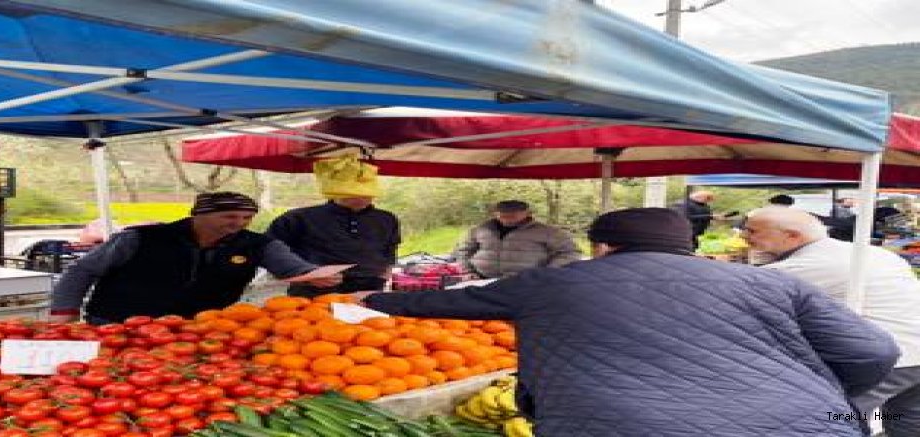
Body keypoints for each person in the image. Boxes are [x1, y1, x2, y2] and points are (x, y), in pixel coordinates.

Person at [355, 208, 898, 436]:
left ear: (602, 245)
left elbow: (453, 304)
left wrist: (371, 301)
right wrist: (807, 393)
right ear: (689, 245)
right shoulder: (773, 282)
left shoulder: (559, 282)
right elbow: (875, 353)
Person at [743, 207, 920, 437]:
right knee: (907, 420)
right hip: (912, 350)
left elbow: (740, 289)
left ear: (792, 235)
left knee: (833, 419)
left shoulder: (808, 265)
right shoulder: (869, 253)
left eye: (752, 231)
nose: (744, 237)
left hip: (893, 359)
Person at [50, 192, 342, 324]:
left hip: (197, 330)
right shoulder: (141, 238)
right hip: (118, 324)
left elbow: (294, 269)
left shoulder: (258, 245)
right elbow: (81, 271)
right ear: (199, 215)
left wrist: (318, 276)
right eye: (229, 216)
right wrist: (64, 312)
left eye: (246, 217)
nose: (239, 223)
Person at [267, 157, 400, 297]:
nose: (362, 197)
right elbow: (268, 251)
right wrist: (304, 273)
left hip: (369, 290)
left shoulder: (387, 219)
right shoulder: (298, 218)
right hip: (313, 293)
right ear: (334, 191)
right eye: (352, 193)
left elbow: (390, 250)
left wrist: (384, 275)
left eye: (367, 193)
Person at [453, 200, 580, 279]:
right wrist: (467, 271)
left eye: (513, 215)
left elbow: (570, 253)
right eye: (502, 215)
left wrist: (547, 273)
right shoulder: (480, 229)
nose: (507, 218)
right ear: (495, 214)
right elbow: (463, 251)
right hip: (481, 280)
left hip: (526, 282)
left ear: (527, 213)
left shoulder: (549, 232)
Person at [671, 190, 735, 250]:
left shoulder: (703, 205)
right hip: (686, 232)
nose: (708, 201)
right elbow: (685, 217)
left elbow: (705, 216)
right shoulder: (683, 204)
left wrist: (715, 217)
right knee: (687, 249)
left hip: (697, 233)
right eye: (707, 199)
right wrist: (710, 216)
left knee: (695, 249)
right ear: (699, 196)